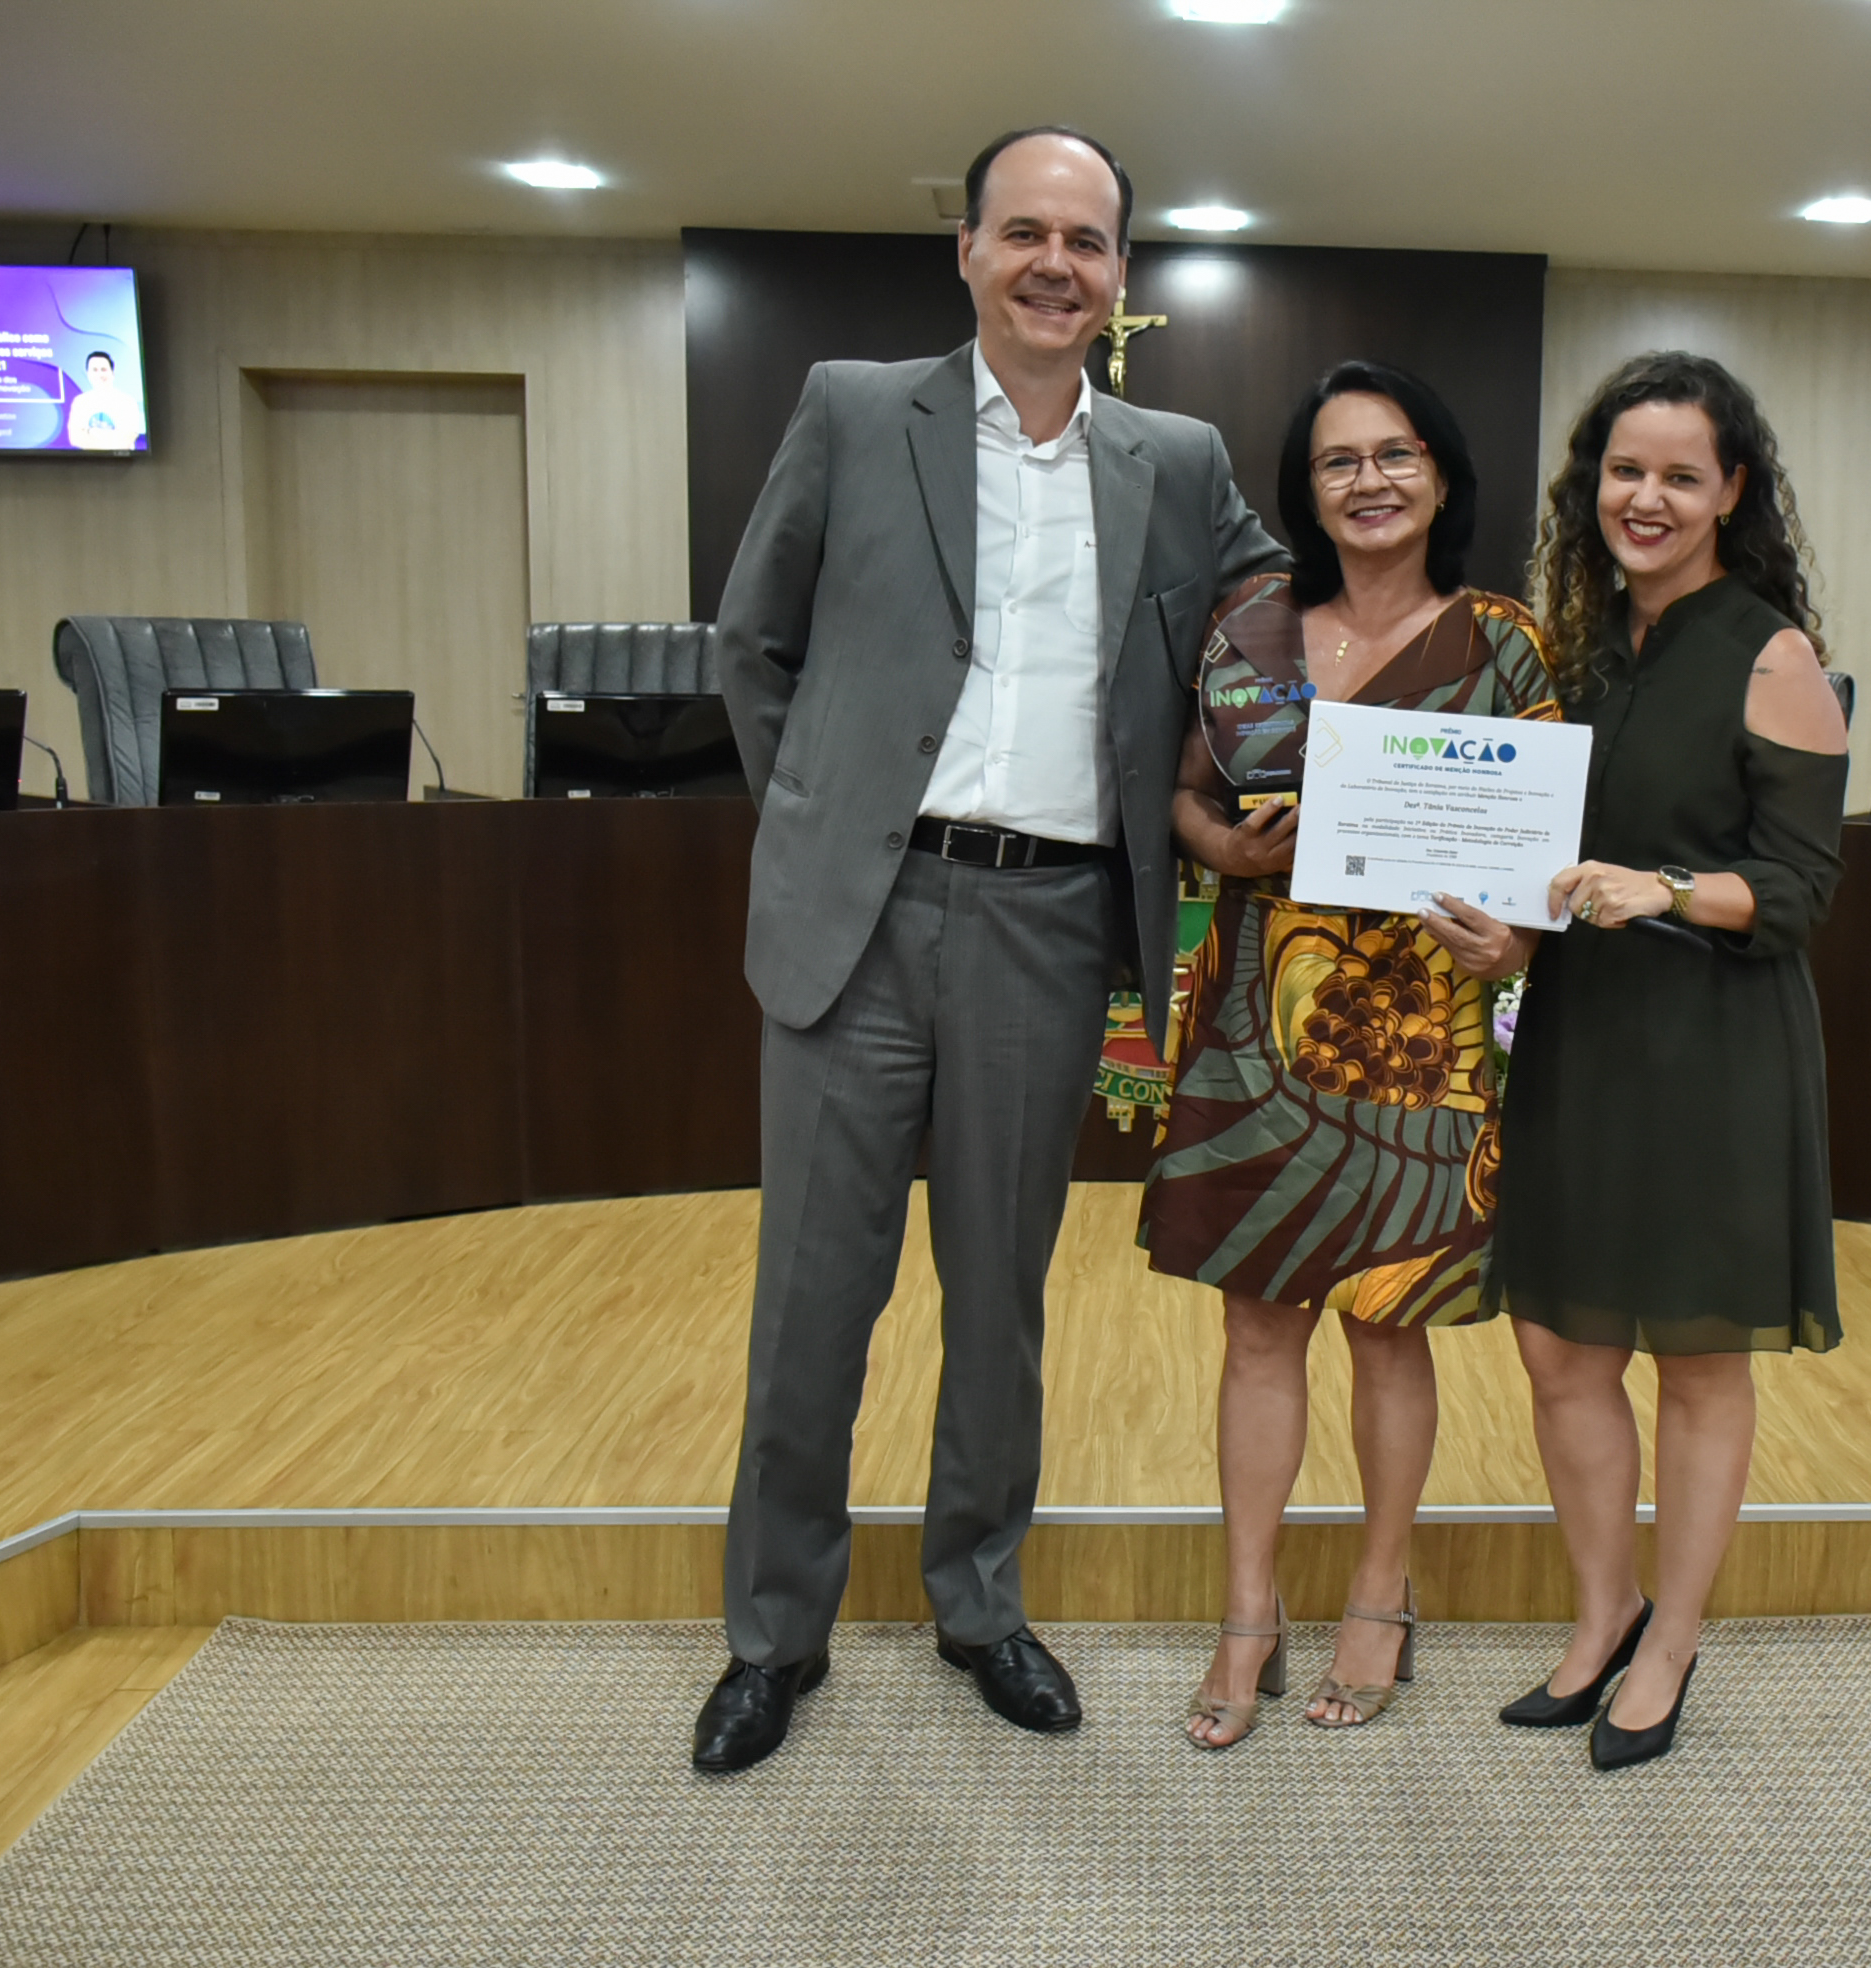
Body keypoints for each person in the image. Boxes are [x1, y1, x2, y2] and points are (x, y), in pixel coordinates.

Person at [697, 125, 1285, 1773]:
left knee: (1000, 1301)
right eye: (1020, 232)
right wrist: (817, 814)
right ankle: (774, 1633)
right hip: (856, 926)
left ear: (1118, 279)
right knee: (814, 1299)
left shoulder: (1172, 460)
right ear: (962, 250)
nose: (1051, 263)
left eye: (1084, 242)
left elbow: (1276, 614)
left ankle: (976, 1600)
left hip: (1045, 922)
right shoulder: (848, 408)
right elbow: (752, 640)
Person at [1144, 362, 1558, 1749]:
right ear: (1303, 490)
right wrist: (1220, 845)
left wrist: (1521, 944)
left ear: (1441, 475)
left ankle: (1380, 1593)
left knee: (1391, 1325)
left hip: (1421, 1039)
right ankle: (1246, 1611)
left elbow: (1545, 854)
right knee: (1256, 1327)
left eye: (1395, 455)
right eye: (1337, 462)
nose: (1368, 482)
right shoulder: (1246, 624)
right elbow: (1187, 799)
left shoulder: (1503, 641)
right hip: (1258, 1025)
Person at [1488, 350, 1851, 1771]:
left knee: (1697, 1363)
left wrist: (1664, 887)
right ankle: (1603, 1617)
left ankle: (1675, 1644)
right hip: (1582, 1035)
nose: (1646, 498)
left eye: (1679, 477)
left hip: (1714, 1048)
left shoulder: (1771, 652)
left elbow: (1803, 890)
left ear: (1731, 493)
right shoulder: (1572, 658)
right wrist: (1501, 930)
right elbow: (1539, 867)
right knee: (1561, 1348)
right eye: (1624, 472)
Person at [65, 349, 140, 451]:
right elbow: (75, 438)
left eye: (103, 369)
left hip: (121, 462)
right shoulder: (80, 402)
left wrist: (92, 433)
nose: (99, 374)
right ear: (88, 374)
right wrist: (111, 436)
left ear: (112, 373)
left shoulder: (127, 402)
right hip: (89, 463)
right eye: (94, 370)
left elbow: (126, 439)